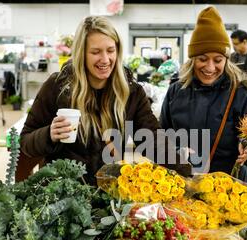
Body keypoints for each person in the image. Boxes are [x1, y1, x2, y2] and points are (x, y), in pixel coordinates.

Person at [20, 16, 190, 185]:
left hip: (107, 195)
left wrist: (187, 175)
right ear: (81, 54)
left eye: (110, 50)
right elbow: (26, 141)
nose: (105, 59)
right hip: (60, 196)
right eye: (95, 52)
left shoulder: (131, 92)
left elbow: (153, 140)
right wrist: (49, 135)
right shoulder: (57, 87)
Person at [160, 6, 247, 184]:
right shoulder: (176, 91)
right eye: (202, 59)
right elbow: (162, 135)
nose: (210, 68)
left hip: (230, 189)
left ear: (227, 60)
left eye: (217, 60)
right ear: (192, 58)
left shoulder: (243, 95)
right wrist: (177, 150)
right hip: (184, 186)